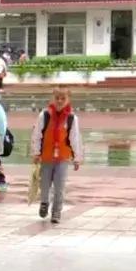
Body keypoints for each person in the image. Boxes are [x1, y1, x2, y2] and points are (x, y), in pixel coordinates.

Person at [31, 87, 83, 224]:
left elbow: (75, 138)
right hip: (47, 156)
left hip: (63, 157)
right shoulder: (45, 115)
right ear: (53, 98)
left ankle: (56, 211)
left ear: (68, 100)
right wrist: (36, 152)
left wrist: (77, 158)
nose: (59, 101)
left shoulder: (72, 118)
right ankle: (44, 203)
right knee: (45, 183)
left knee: (60, 186)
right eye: (57, 98)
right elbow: (37, 135)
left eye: (63, 98)